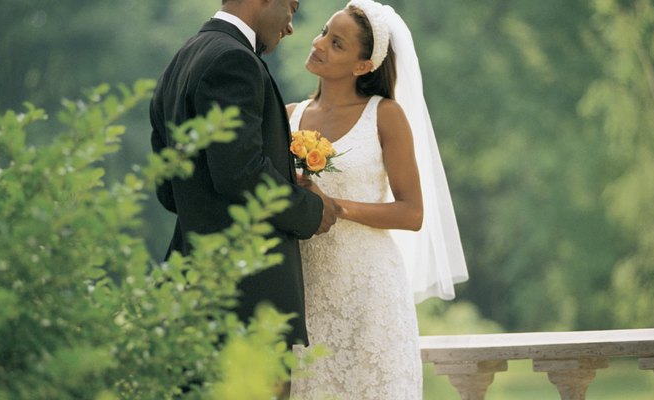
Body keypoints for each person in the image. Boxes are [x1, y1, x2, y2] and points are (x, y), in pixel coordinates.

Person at [287, 0, 469, 398]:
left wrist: (338, 207)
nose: (318, 44)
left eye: (336, 44)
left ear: (362, 66)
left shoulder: (385, 115)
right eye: (323, 32)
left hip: (371, 292)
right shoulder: (289, 117)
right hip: (309, 292)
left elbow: (412, 212)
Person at [149, 0, 342, 351]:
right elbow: (240, 173)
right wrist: (311, 210)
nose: (290, 27)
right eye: (292, 7)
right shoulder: (234, 60)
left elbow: (168, 189)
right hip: (248, 297)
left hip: (191, 290)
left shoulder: (181, 60)